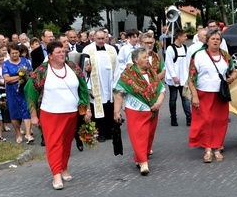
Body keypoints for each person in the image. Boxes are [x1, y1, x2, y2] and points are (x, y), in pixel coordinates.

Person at [25, 40, 90, 190]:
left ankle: (64, 167)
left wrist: (87, 108)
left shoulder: (73, 68)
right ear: (50, 56)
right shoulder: (41, 71)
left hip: (71, 112)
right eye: (58, 52)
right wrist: (34, 115)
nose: (62, 54)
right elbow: (30, 92)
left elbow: (84, 89)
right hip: (50, 113)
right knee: (54, 144)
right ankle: (56, 175)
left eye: (63, 51)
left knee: (67, 143)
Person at [187, 29, 237, 162]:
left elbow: (234, 71)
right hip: (203, 93)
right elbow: (191, 78)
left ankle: (217, 147)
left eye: (218, 39)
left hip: (220, 94)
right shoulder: (198, 55)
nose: (216, 41)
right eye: (213, 39)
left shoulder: (225, 56)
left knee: (220, 121)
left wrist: (232, 77)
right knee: (206, 121)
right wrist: (195, 96)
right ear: (207, 40)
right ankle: (208, 149)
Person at [113, 47, 166, 175]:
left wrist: (159, 103)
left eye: (148, 57)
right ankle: (143, 162)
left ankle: (139, 157)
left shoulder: (152, 73)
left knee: (148, 136)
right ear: (136, 60)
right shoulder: (127, 76)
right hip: (135, 111)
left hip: (153, 110)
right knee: (138, 136)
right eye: (144, 57)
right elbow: (119, 94)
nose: (148, 59)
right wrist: (116, 111)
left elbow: (162, 90)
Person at [81, 29, 117, 143]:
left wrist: (116, 84)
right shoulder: (87, 49)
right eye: (99, 39)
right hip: (95, 82)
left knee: (109, 106)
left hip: (109, 82)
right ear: (94, 38)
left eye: (103, 38)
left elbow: (117, 68)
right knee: (97, 108)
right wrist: (89, 86)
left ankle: (109, 131)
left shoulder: (111, 49)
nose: (101, 41)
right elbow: (83, 69)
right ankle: (100, 132)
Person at [3, 42, 33, 144]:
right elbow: (6, 79)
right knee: (14, 113)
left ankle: (28, 134)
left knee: (27, 110)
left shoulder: (25, 61)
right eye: (12, 53)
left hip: (24, 89)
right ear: (9, 54)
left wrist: (25, 78)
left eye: (16, 53)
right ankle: (18, 134)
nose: (15, 55)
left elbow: (30, 74)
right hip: (12, 91)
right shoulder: (6, 64)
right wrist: (19, 77)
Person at [164, 29, 191, 127]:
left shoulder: (185, 48)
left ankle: (189, 117)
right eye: (184, 36)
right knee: (173, 98)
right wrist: (174, 76)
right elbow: (169, 64)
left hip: (183, 77)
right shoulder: (170, 49)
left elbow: (188, 62)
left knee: (185, 98)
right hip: (174, 78)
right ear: (179, 37)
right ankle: (173, 118)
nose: (186, 38)